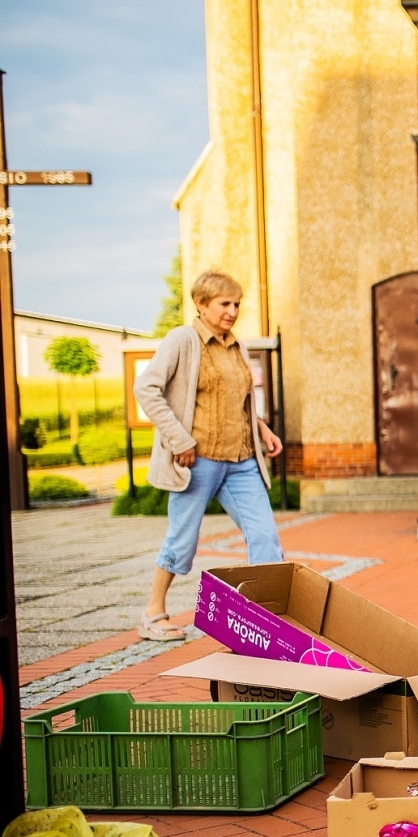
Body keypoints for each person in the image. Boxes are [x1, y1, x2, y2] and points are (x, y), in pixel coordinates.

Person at [134, 271, 285, 641]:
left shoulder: (237, 345)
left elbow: (242, 399)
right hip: (197, 460)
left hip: (242, 460)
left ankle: (265, 620)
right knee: (182, 539)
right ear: (201, 305)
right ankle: (153, 613)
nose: (232, 311)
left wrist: (262, 428)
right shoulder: (183, 340)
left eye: (236, 304)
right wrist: (179, 440)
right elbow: (147, 388)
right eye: (224, 304)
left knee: (265, 536)